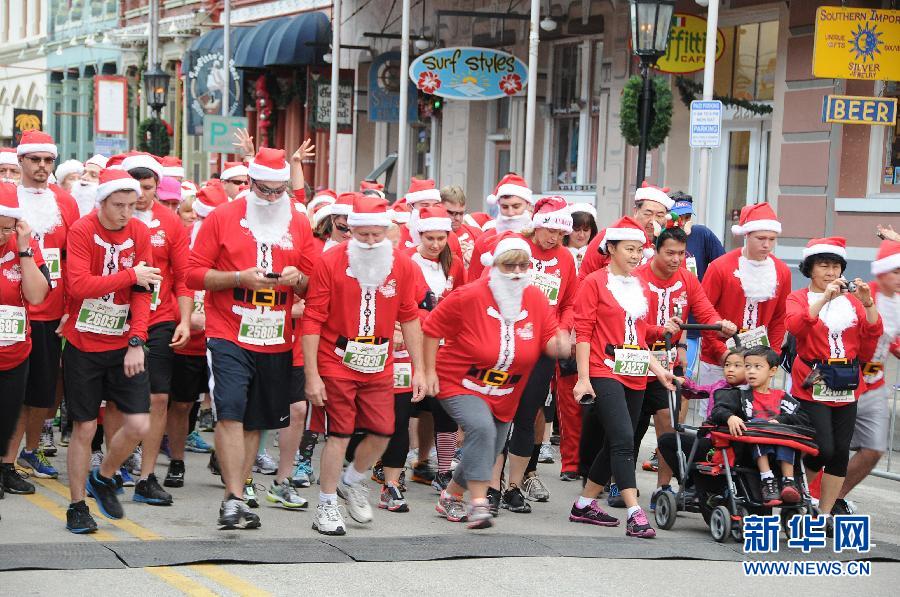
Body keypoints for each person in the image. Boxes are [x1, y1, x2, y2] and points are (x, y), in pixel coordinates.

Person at [188, 148, 317, 529]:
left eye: (280, 191)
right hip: (228, 328)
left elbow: (313, 288)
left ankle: (240, 493)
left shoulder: (299, 222)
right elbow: (194, 275)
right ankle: (231, 497)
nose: (273, 198)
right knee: (230, 410)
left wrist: (299, 279)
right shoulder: (223, 217)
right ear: (251, 183)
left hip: (276, 334)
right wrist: (237, 278)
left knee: (255, 422)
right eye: (265, 190)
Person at [423, 234, 566, 529]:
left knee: (488, 447)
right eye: (508, 266)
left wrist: (562, 345)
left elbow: (549, 339)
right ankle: (478, 504)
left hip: (505, 390)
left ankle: (450, 496)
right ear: (494, 266)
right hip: (460, 382)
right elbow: (431, 328)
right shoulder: (470, 295)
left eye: (522, 266)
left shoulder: (536, 299)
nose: (515, 273)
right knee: (481, 429)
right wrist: (427, 372)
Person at [302, 194, 425, 536]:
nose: (370, 242)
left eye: (377, 235)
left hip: (379, 361)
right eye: (363, 235)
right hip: (337, 358)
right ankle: (326, 504)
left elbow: (410, 317)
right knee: (339, 434)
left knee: (384, 430)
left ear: (386, 231)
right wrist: (312, 375)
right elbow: (312, 319)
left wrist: (421, 369)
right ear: (350, 231)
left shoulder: (401, 264)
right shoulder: (330, 262)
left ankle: (351, 480)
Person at [62, 168, 161, 534]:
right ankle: (76, 506)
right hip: (84, 343)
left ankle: (103, 477)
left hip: (123, 343)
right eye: (118, 205)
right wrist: (130, 275)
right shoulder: (82, 230)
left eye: (132, 206)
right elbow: (77, 286)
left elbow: (144, 289)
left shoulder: (140, 232)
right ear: (101, 202)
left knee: (139, 424)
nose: (125, 213)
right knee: (85, 427)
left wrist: (137, 340)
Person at [571, 216, 676, 539]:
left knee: (620, 440)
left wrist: (659, 369)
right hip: (604, 370)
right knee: (621, 440)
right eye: (629, 249)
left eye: (639, 250)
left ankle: (584, 503)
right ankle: (635, 512)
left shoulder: (639, 284)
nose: (635, 256)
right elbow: (584, 332)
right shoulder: (593, 283)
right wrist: (583, 378)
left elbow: (639, 336)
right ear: (611, 248)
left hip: (635, 372)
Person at [633, 226, 735, 510]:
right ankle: (621, 482)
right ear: (656, 250)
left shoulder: (688, 280)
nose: (676, 259)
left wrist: (721, 327)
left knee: (668, 424)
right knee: (631, 426)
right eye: (670, 253)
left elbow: (705, 312)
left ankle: (663, 488)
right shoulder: (638, 278)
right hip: (636, 358)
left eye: (681, 253)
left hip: (669, 363)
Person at [3, 131, 79, 494]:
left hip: (50, 309)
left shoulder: (65, 201)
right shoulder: (8, 199)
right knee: (11, 391)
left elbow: (73, 259)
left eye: (48, 161)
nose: (42, 168)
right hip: (13, 308)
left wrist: (70, 309)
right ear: (21, 162)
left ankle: (30, 451)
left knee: (40, 391)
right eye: (35, 160)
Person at [785, 237, 882, 522]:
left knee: (840, 451)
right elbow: (796, 326)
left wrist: (868, 304)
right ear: (810, 269)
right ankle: (808, 493)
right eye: (823, 265)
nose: (831, 272)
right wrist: (825, 298)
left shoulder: (852, 301)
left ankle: (823, 512)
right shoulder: (800, 298)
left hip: (847, 381)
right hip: (813, 380)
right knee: (822, 447)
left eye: (836, 266)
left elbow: (871, 336)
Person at [115, 153, 193, 506]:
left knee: (159, 396)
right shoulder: (109, 217)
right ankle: (114, 466)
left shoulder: (171, 223)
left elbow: (184, 278)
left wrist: (186, 320)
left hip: (160, 317)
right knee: (118, 396)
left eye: (148, 188)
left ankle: (147, 476)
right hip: (116, 316)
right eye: (135, 187)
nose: (142, 195)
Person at [498, 197, 578, 510]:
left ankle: (515, 485)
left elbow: (570, 301)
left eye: (561, 233)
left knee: (529, 415)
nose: (554, 238)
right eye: (549, 230)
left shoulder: (567, 259)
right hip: (510, 341)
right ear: (537, 224)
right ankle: (491, 484)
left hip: (543, 347)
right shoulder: (517, 247)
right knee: (499, 413)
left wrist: (562, 328)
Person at [165, 184, 230, 489]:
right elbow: (177, 284)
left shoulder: (232, 243)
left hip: (225, 339)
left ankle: (224, 455)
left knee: (227, 405)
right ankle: (176, 461)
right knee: (181, 403)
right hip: (189, 341)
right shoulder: (184, 242)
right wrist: (188, 318)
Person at [401, 204, 466, 494]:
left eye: (441, 238)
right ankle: (389, 464)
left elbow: (463, 300)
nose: (436, 244)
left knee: (443, 408)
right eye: (430, 239)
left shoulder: (454, 264)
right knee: (406, 407)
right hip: (412, 345)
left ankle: (442, 470)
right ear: (419, 235)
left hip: (443, 347)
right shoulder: (405, 261)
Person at [833, 239, 900, 513]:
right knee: (831, 447)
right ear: (882, 272)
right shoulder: (861, 297)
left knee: (873, 449)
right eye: (896, 272)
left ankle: (835, 496)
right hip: (846, 382)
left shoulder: (897, 303)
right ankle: (819, 498)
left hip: (876, 384)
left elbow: (893, 342)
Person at [698, 203, 791, 400]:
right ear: (746, 236)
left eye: (772, 239)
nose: (766, 245)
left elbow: (779, 318)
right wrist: (723, 354)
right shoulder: (720, 267)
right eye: (761, 238)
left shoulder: (782, 271)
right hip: (720, 357)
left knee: (752, 418)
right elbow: (704, 313)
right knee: (716, 416)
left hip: (759, 360)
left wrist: (770, 356)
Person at [0, 183, 51, 520]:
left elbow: (36, 296)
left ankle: (6, 468)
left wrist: (23, 249)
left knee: (10, 412)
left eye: (8, 226)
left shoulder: (24, 246)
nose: (2, 232)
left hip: (14, 348)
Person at [708, 346, 807, 506]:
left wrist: (781, 421)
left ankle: (789, 482)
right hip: (748, 450)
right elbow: (718, 410)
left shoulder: (782, 397)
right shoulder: (737, 394)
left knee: (785, 433)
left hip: (779, 448)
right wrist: (730, 417)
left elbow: (802, 417)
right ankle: (767, 479)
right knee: (758, 426)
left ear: (772, 371)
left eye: (757, 367)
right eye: (747, 367)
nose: (751, 371)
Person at [556, 203, 598, 482]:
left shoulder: (602, 256)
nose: (581, 234)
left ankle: (591, 464)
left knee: (596, 407)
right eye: (576, 228)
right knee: (569, 404)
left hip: (598, 336)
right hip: (566, 335)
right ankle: (570, 462)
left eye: (586, 229)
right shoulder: (560, 258)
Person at [578, 182, 673, 280]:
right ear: (635, 211)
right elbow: (584, 276)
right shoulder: (610, 236)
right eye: (647, 214)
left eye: (660, 215)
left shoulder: (669, 243)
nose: (653, 221)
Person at [467, 174, 535, 282]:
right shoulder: (485, 240)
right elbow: (472, 283)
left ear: (527, 204)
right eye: (505, 207)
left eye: (516, 206)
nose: (510, 212)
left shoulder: (537, 238)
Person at [440, 184, 482, 269]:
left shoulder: (476, 233)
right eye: (452, 213)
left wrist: (475, 256)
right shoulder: (430, 234)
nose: (458, 218)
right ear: (439, 208)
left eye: (461, 213)